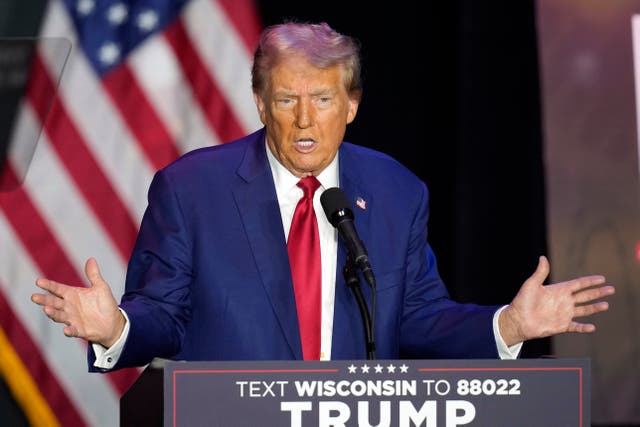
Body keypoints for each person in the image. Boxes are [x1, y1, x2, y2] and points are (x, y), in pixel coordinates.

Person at [31, 21, 614, 371]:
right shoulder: (190, 191)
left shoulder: (395, 192)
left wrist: (508, 326)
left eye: (324, 99)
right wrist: (116, 330)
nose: (305, 119)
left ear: (352, 105)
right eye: (286, 100)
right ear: (260, 104)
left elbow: (418, 318)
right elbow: (163, 316)